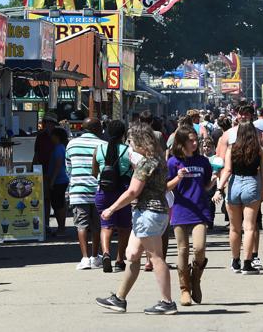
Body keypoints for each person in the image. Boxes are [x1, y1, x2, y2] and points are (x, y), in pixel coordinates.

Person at [95, 124, 177, 315]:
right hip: (155, 211)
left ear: (140, 142)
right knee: (132, 255)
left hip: (148, 213)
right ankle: (119, 299)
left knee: (156, 257)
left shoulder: (146, 163)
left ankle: (167, 302)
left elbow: (133, 191)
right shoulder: (158, 160)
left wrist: (111, 208)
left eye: (131, 142)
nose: (129, 145)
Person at [166, 127, 215, 305]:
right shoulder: (173, 162)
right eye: (191, 141)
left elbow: (206, 186)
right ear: (181, 143)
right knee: (183, 250)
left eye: (196, 140)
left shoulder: (203, 161)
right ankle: (184, 289)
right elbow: (165, 187)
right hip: (180, 210)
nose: (195, 144)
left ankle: (196, 280)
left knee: (199, 249)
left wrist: (216, 180)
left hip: (200, 210)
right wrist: (178, 178)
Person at [214, 122, 263, 274]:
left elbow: (228, 169)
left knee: (234, 227)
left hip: (234, 184)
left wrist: (219, 189)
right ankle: (247, 263)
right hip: (252, 183)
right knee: (250, 227)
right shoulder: (259, 151)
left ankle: (235, 260)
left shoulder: (232, 149)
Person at [66, 117, 106, 270]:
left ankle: (84, 258)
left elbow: (68, 168)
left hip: (78, 191)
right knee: (97, 226)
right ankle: (95, 257)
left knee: (81, 225)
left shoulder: (72, 144)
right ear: (98, 129)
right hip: (98, 190)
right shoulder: (103, 144)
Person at [92, 120, 132, 273]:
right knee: (124, 227)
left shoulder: (99, 149)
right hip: (123, 192)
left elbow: (94, 173)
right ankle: (120, 259)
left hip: (103, 191)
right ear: (124, 134)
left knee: (106, 225)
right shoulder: (128, 151)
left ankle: (106, 253)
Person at [32, 112, 59, 230]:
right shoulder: (40, 136)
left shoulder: (57, 136)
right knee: (43, 198)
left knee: (54, 199)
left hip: (55, 171)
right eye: (46, 123)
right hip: (41, 170)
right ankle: (43, 223)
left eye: (50, 123)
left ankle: (52, 224)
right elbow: (36, 153)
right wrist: (33, 169)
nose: (48, 125)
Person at [49, 127, 70, 236]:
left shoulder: (58, 148)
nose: (50, 137)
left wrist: (52, 181)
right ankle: (61, 228)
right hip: (61, 179)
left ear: (56, 137)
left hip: (59, 180)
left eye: (52, 135)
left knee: (58, 205)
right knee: (60, 203)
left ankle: (61, 229)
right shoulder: (61, 147)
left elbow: (57, 166)